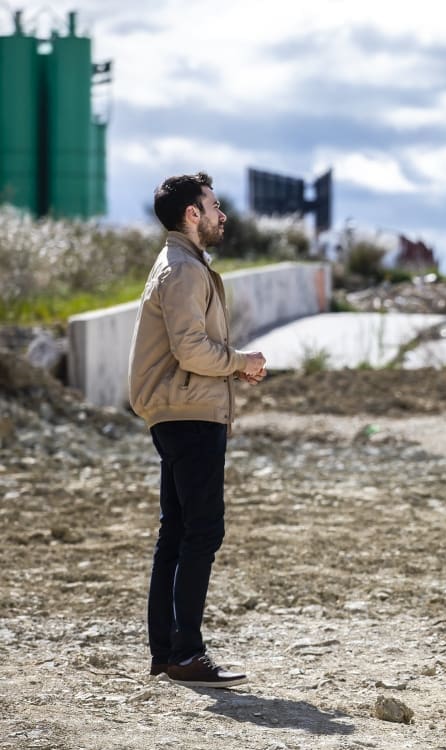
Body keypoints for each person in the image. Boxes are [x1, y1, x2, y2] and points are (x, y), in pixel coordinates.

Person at [128, 172, 267, 688]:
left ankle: (167, 652)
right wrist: (240, 361)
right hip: (189, 413)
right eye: (214, 205)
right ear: (193, 214)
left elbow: (187, 350)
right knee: (202, 530)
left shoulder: (180, 263)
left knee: (177, 532)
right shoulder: (184, 269)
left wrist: (231, 368)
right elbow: (191, 350)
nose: (221, 214)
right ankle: (186, 652)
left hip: (180, 408)